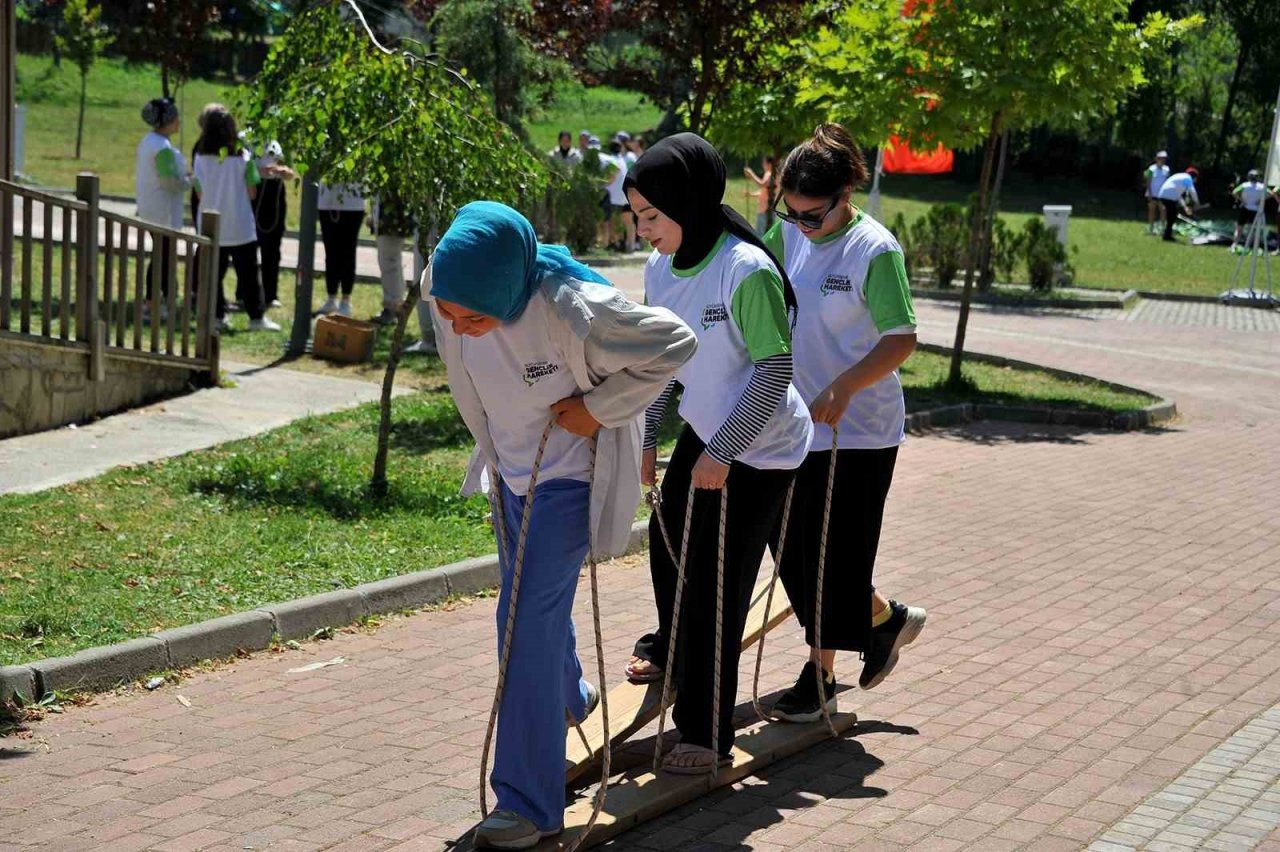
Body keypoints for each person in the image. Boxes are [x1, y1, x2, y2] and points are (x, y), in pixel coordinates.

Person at [427, 202, 696, 849]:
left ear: (509, 291)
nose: (460, 329)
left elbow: (675, 342)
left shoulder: (571, 303)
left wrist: (599, 408)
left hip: (570, 477)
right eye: (449, 316)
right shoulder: (451, 286)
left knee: (519, 626)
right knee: (533, 618)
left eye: (474, 317)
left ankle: (528, 805)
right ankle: (570, 692)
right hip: (511, 476)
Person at [624, 133, 814, 774]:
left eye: (652, 216)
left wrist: (725, 452)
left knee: (714, 584)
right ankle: (675, 654)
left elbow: (775, 370)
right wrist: (649, 438)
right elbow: (663, 365)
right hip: (711, 430)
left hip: (763, 447)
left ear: (688, 202)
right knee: (667, 540)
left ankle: (707, 736)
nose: (644, 230)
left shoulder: (745, 271)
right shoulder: (659, 269)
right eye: (637, 217)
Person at [760, 122, 927, 722]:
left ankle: (821, 675)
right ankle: (884, 618)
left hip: (859, 430)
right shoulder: (787, 232)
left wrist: (846, 384)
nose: (802, 226)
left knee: (830, 555)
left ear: (845, 196)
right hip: (797, 421)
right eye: (792, 212)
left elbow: (901, 340)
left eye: (814, 215)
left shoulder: (874, 250)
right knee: (792, 550)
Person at [191, 108, 279, 331]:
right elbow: (252, 191)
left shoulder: (199, 157)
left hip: (210, 223)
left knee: (212, 276)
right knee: (249, 274)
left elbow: (198, 191)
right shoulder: (243, 157)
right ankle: (256, 318)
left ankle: (217, 317)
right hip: (239, 224)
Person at [134, 97, 189, 321]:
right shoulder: (162, 147)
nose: (178, 121)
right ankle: (153, 304)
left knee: (162, 255)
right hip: (162, 210)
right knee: (163, 258)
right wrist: (189, 181)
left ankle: (159, 302)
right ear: (167, 121)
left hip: (151, 206)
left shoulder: (149, 140)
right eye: (175, 117)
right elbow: (169, 181)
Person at [250, 138, 296, 309]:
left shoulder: (279, 141)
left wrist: (283, 171)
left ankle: (271, 294)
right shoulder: (247, 139)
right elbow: (242, 169)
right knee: (250, 247)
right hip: (256, 190)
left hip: (275, 195)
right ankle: (245, 292)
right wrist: (260, 171)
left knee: (273, 248)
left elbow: (291, 173)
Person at [317, 183, 366, 315]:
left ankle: (345, 300)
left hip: (352, 204)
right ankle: (331, 298)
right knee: (331, 253)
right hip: (326, 203)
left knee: (348, 253)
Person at [370, 193, 414, 325]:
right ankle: (394, 305)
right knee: (388, 262)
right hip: (387, 216)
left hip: (392, 217)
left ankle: (393, 307)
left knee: (390, 262)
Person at [599, 140, 636, 252]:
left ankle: (613, 244)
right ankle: (628, 245)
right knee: (624, 222)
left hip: (613, 196)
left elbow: (612, 175)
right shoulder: (622, 160)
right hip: (624, 196)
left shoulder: (612, 160)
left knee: (611, 222)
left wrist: (602, 184)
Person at [1157, 166, 1199, 242]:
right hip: (1169, 196)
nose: (1195, 181)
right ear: (1194, 177)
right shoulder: (1188, 178)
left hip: (1163, 195)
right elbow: (1192, 191)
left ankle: (1167, 234)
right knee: (1172, 216)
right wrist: (1197, 202)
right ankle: (1167, 236)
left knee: (1172, 215)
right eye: (1196, 179)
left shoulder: (1181, 177)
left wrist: (1185, 207)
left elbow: (1178, 196)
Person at [1232, 169, 1268, 249]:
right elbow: (1271, 194)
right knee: (1251, 229)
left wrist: (1242, 200)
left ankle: (1235, 244)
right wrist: (1261, 200)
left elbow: (1234, 192)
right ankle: (1247, 246)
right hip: (1255, 209)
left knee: (1239, 228)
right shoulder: (1261, 187)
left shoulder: (1244, 185)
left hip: (1245, 208)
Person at [744, 155, 776, 236]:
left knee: (760, 235)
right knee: (767, 234)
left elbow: (761, 184)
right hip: (768, 210)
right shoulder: (773, 175)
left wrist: (751, 174)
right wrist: (751, 194)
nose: (763, 165)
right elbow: (764, 192)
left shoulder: (769, 174)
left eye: (764, 163)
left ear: (768, 164)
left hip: (765, 211)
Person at [1143, 151, 1170, 236]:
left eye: (1164, 159)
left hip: (1162, 194)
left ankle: (1163, 229)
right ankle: (1151, 228)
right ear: (1157, 159)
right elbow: (1148, 181)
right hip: (1152, 193)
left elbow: (1168, 181)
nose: (1163, 160)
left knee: (1163, 211)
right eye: (1161, 158)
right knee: (1152, 211)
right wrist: (1150, 194)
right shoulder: (1151, 169)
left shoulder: (1167, 169)